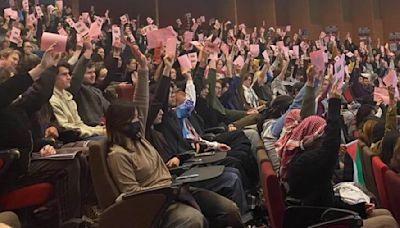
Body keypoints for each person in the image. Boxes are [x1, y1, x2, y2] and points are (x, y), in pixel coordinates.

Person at [106, 44, 243, 227]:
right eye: (134, 118)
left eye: (139, 117)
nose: (139, 120)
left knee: (230, 209)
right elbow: (134, 197)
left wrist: (145, 68)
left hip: (176, 187)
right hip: (159, 203)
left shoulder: (141, 138)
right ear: (121, 124)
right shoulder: (118, 155)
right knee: (195, 220)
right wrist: (167, 191)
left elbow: (142, 102)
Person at [49, 40, 105, 140]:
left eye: (69, 74)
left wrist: (99, 130)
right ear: (53, 77)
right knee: (106, 139)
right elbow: (68, 128)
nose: (69, 77)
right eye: (64, 75)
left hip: (83, 132)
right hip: (71, 138)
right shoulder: (53, 99)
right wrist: (86, 52)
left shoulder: (68, 96)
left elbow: (79, 124)